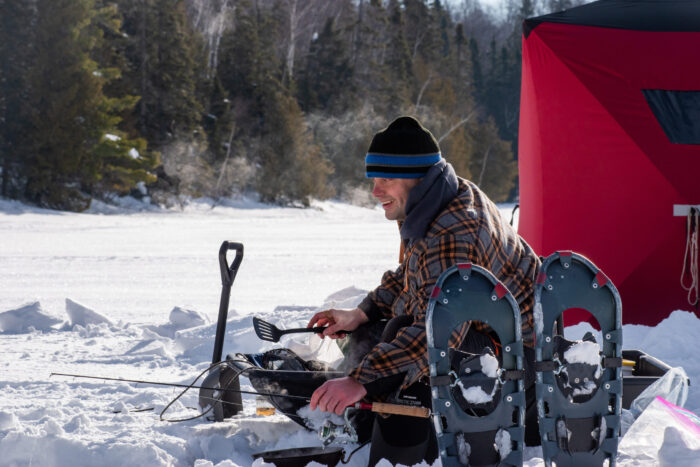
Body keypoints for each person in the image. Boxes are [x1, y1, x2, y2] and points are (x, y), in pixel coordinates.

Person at [307, 116, 540, 465]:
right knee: (375, 331)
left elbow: (440, 334)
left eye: (386, 179)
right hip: (484, 338)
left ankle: (402, 453)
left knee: (400, 335)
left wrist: (360, 380)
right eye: (374, 179)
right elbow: (412, 273)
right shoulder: (438, 197)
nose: (375, 191)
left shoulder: (455, 231)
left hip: (518, 367)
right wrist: (362, 311)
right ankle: (370, 421)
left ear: (418, 177)